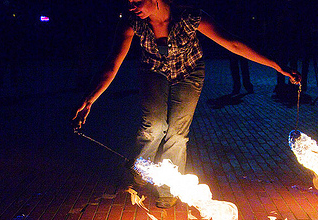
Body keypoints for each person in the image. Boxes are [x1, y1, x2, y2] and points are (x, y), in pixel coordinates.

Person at [72, 0, 300, 208]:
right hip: (153, 71)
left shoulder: (190, 17)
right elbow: (113, 64)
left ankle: (168, 187)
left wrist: (277, 66)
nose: (131, 5)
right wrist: (90, 99)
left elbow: (234, 44)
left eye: (136, 0)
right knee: (154, 125)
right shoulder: (132, 23)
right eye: (128, 1)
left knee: (177, 133)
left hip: (189, 73)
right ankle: (142, 167)